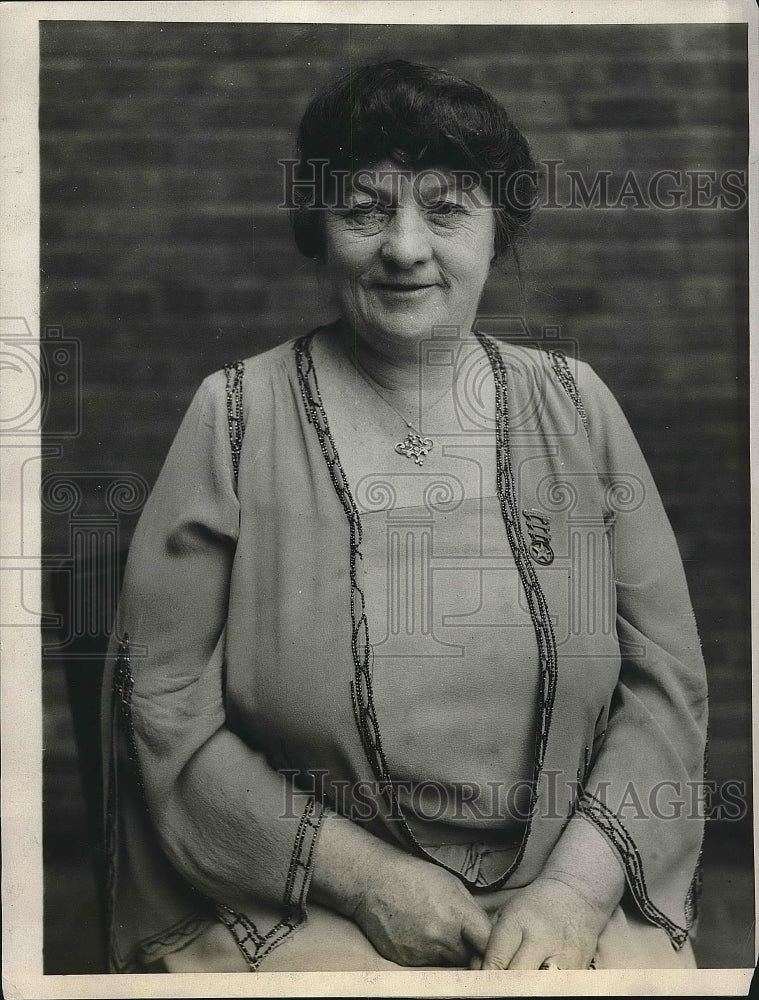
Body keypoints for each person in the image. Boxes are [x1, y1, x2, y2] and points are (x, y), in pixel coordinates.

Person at [101, 59, 708, 973]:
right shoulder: (234, 417)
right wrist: (364, 881)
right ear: (317, 228)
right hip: (303, 895)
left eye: (446, 208)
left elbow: (664, 683)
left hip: (566, 886)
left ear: (499, 228)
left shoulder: (574, 409)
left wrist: (574, 894)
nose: (404, 247)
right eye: (364, 209)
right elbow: (163, 706)